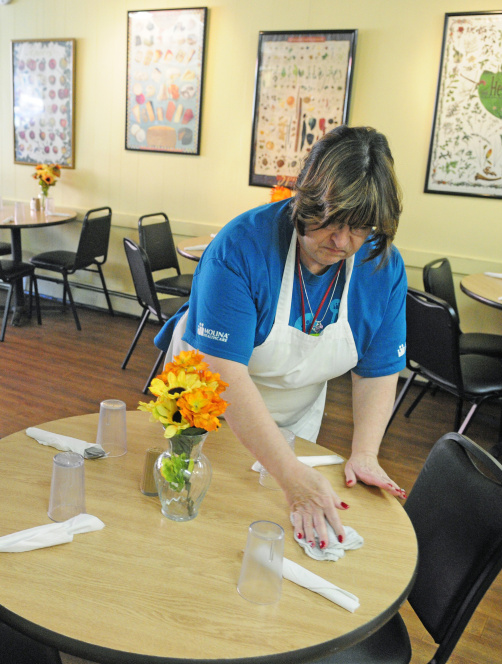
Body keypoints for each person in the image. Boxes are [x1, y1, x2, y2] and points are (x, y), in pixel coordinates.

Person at [158, 125, 407, 550]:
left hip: (295, 411)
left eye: (360, 228)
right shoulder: (240, 248)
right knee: (192, 521)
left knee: (261, 525)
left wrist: (365, 453)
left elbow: (378, 369)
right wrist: (292, 477)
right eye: (331, 221)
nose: (343, 242)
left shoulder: (380, 265)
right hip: (206, 405)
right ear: (305, 198)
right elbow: (225, 373)